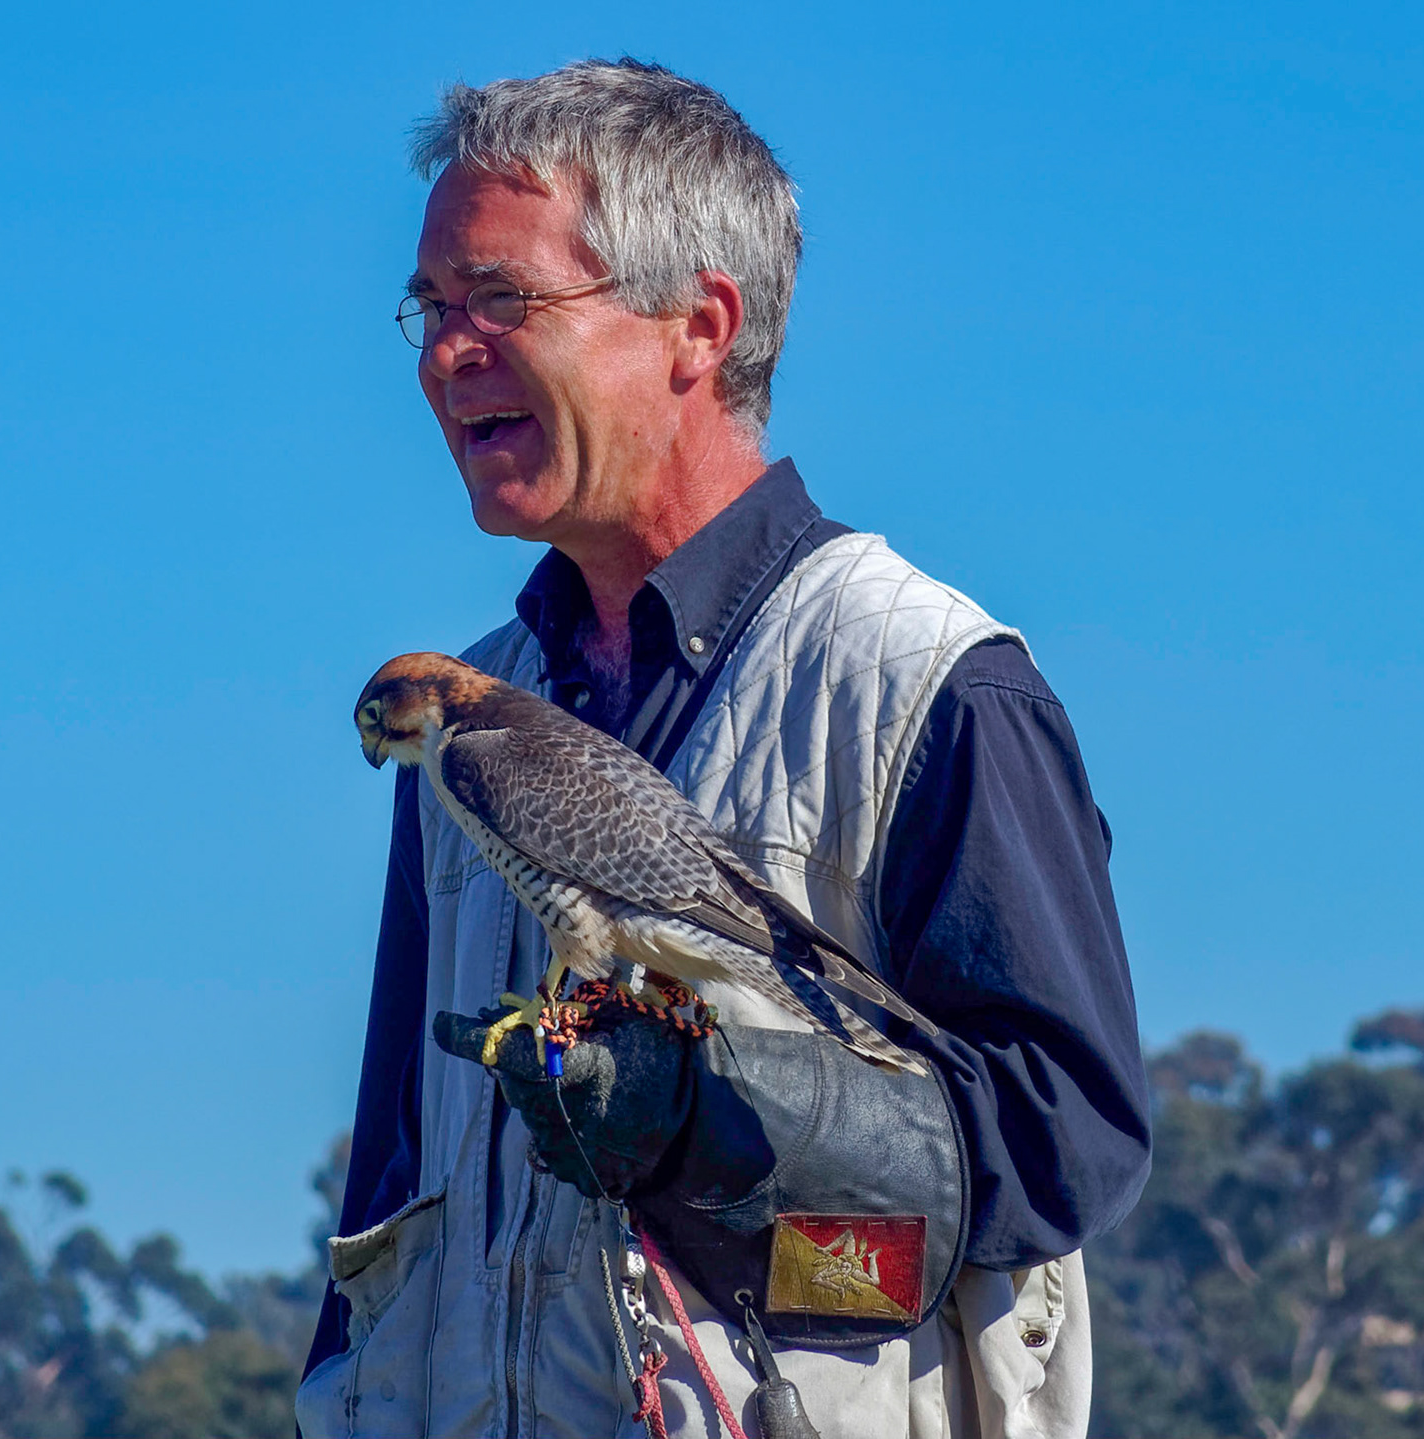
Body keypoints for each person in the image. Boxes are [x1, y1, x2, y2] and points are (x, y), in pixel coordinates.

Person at [299, 58, 1150, 1439]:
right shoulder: (464, 717)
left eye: (499, 300)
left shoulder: (924, 682)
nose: (442, 352)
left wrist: (714, 1123)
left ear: (696, 327)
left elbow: (1067, 1145)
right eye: (431, 307)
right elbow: (395, 1187)